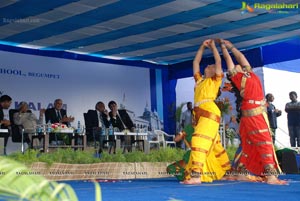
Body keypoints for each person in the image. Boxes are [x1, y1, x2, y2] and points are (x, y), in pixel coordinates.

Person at [219, 38, 286, 184]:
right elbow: (230, 61)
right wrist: (224, 50)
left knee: (248, 144)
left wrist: (231, 46)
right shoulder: (237, 77)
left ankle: (242, 173)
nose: (238, 65)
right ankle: (270, 176)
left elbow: (241, 58)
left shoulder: (248, 73)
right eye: (234, 67)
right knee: (264, 141)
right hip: (254, 113)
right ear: (232, 73)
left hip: (254, 113)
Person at [175, 39, 231, 184]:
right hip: (200, 114)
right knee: (215, 145)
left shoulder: (215, 81)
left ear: (214, 71)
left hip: (209, 112)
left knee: (199, 139)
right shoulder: (199, 81)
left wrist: (213, 47)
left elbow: (218, 61)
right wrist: (202, 46)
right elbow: (195, 62)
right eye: (209, 64)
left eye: (211, 66)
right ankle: (227, 171)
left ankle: (196, 175)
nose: (209, 65)